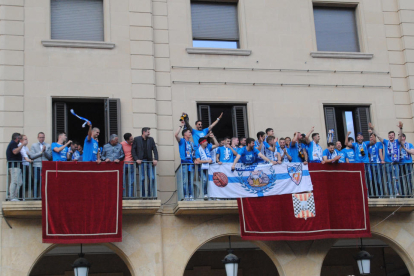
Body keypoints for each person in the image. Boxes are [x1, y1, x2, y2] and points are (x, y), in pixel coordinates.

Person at [370, 122, 403, 197]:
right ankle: (391, 194)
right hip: (388, 164)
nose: (391, 136)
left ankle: (397, 193)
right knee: (389, 180)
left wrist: (400, 129)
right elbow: (378, 136)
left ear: (394, 136)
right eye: (389, 135)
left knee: (397, 179)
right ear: (388, 136)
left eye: (392, 135)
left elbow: (400, 136)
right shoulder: (386, 142)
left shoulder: (397, 142)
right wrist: (373, 129)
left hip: (396, 163)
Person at [132, 127, 158, 198]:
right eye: (148, 132)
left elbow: (154, 149)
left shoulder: (151, 139)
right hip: (141, 162)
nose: (149, 133)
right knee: (142, 178)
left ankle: (149, 195)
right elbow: (133, 150)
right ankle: (143, 195)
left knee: (152, 178)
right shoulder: (137, 139)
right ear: (144, 132)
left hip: (149, 162)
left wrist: (155, 159)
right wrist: (136, 159)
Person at [175, 120, 195, 200]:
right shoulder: (182, 141)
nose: (190, 133)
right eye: (189, 132)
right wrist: (181, 126)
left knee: (190, 180)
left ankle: (191, 195)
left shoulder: (191, 143)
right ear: (185, 134)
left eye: (190, 132)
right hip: (184, 163)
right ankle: (186, 195)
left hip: (191, 164)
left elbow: (193, 153)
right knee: (185, 180)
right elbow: (176, 135)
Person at [195, 133, 219, 199]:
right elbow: (198, 160)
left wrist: (213, 137)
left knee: (211, 180)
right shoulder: (198, 151)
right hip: (202, 168)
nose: (207, 142)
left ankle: (213, 194)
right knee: (205, 180)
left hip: (210, 167)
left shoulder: (208, 147)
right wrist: (207, 161)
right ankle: (205, 193)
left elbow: (217, 145)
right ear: (202, 143)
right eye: (205, 141)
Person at [30, 132, 52, 198]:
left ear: (44, 138)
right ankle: (35, 197)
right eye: (40, 137)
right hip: (36, 165)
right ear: (38, 138)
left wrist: (45, 151)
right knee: (36, 181)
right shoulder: (34, 145)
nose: (41, 139)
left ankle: (43, 197)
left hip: (45, 165)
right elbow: (32, 156)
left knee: (44, 182)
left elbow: (50, 157)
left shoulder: (48, 145)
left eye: (42, 137)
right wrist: (41, 152)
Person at [6, 133, 25, 201]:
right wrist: (22, 145)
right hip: (14, 166)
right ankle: (12, 197)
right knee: (14, 181)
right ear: (16, 138)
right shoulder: (13, 143)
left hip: (17, 166)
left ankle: (15, 196)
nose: (20, 140)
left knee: (19, 182)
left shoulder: (15, 144)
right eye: (20, 138)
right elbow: (14, 151)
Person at [366, 131, 385, 197]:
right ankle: (376, 195)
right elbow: (368, 156)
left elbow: (380, 153)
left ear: (375, 137)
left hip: (378, 165)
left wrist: (382, 160)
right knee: (373, 181)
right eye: (370, 137)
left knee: (379, 180)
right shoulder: (368, 146)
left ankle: (381, 195)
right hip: (371, 166)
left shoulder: (379, 144)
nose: (371, 138)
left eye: (372, 137)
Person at [121, 133, 135, 197]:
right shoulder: (122, 144)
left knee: (131, 182)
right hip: (124, 164)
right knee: (123, 182)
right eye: (131, 139)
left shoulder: (134, 144)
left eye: (132, 138)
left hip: (131, 164)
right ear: (127, 140)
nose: (132, 140)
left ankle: (130, 197)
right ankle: (123, 197)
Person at [19, 135, 32, 199]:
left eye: (27, 139)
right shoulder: (20, 145)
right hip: (22, 165)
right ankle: (20, 196)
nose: (26, 140)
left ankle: (23, 195)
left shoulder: (26, 147)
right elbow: (24, 154)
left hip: (26, 165)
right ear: (21, 140)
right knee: (22, 181)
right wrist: (27, 159)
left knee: (28, 181)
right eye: (25, 139)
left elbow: (28, 154)